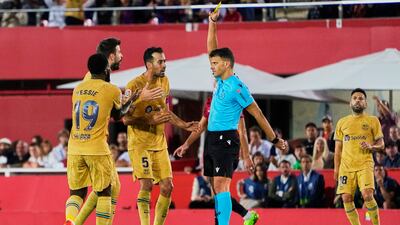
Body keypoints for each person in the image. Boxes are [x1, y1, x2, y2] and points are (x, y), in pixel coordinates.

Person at [203, 9, 286, 225]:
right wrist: (212, 22)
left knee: (221, 186)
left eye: (215, 63)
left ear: (227, 64)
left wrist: (274, 139)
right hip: (212, 138)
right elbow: (213, 48)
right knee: (216, 188)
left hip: (226, 139)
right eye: (211, 63)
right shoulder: (221, 80)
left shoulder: (237, 87)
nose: (211, 66)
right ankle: (245, 216)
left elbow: (256, 113)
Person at [74, 38, 163, 225]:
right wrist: (137, 100)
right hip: (94, 146)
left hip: (85, 144)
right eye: (120, 53)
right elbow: (119, 115)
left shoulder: (91, 78)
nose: (122, 56)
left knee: (110, 187)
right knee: (108, 188)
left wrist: (129, 100)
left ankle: (75, 222)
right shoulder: (100, 81)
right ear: (111, 56)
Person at [122, 47, 199, 225]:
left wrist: (184, 125)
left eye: (164, 61)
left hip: (159, 143)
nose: (164, 65)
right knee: (147, 184)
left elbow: (164, 112)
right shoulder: (133, 86)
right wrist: (148, 119)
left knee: (167, 187)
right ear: (149, 64)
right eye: (160, 62)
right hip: (140, 143)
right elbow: (125, 119)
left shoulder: (165, 82)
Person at [63, 53, 139, 225]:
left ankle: (70, 219)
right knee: (105, 191)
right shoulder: (111, 90)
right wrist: (129, 102)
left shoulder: (78, 88)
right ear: (106, 69)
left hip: (75, 147)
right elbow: (118, 115)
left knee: (76, 192)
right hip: (96, 148)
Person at [173, 95, 259, 225]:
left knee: (220, 190)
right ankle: (247, 215)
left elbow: (242, 131)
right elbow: (201, 126)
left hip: (227, 147)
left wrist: (247, 157)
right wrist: (186, 144)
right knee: (217, 194)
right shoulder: (210, 101)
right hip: (211, 147)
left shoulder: (233, 99)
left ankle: (233, 219)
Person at [334, 88, 384, 225]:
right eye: (355, 98)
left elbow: (382, 144)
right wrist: (336, 170)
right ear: (350, 102)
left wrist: (371, 147)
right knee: (346, 198)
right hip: (346, 167)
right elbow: (337, 150)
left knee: (367, 195)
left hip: (365, 164)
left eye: (361, 98)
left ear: (366, 103)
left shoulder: (373, 120)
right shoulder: (341, 122)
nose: (357, 100)